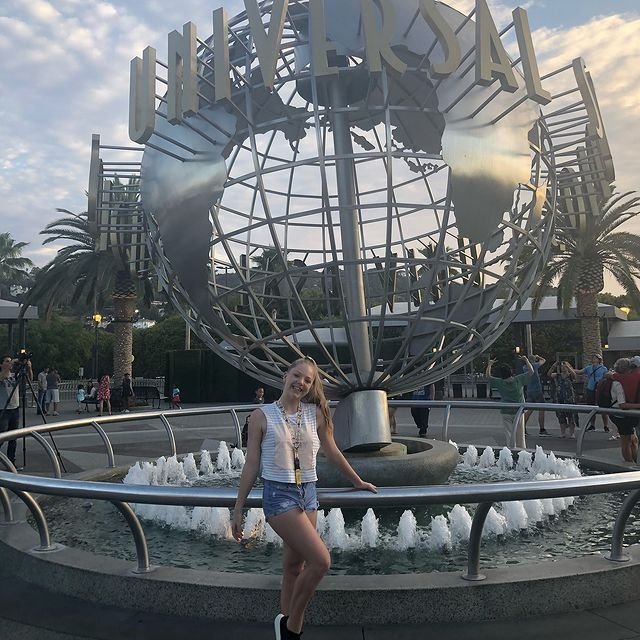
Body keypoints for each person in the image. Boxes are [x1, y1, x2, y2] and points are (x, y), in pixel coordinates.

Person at [232, 357, 376, 640]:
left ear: (311, 386)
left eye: (308, 380)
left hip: (308, 494)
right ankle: (292, 627)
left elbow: (332, 451)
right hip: (279, 496)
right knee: (321, 561)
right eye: (297, 376)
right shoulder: (261, 415)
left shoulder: (315, 414)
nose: (301, 383)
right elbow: (251, 464)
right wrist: (238, 508)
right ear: (285, 376)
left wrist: (357, 481)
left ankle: (284, 626)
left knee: (293, 568)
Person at [486, 356, 533, 448]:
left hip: (505, 411)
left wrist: (490, 365)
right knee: (520, 435)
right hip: (518, 411)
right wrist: (526, 360)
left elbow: (488, 376)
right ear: (511, 371)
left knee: (509, 434)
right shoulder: (518, 379)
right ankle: (521, 451)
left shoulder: (499, 382)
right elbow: (531, 372)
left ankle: (510, 450)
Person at [609, 358, 639, 464]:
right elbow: (622, 405)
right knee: (626, 441)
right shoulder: (618, 384)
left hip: (618, 414)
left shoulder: (617, 379)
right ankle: (629, 464)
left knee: (633, 440)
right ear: (627, 369)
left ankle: (633, 462)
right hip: (620, 415)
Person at [576, 354, 610, 432]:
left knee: (603, 407)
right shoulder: (589, 368)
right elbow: (579, 372)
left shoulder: (603, 368)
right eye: (593, 358)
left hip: (600, 389)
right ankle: (592, 425)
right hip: (591, 388)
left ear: (599, 360)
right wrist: (570, 368)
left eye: (595, 358)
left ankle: (605, 425)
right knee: (591, 407)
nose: (594, 359)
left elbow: (606, 377)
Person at [549, 361, 578, 438]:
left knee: (571, 417)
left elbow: (574, 375)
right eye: (562, 367)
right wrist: (554, 366)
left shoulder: (570, 376)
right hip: (559, 398)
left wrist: (568, 367)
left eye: (565, 367)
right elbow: (549, 374)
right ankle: (563, 433)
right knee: (561, 416)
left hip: (569, 398)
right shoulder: (558, 375)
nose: (563, 368)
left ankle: (572, 433)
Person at [0, 355, 19, 466]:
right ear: (1, 364)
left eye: (10, 361)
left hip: (15, 409)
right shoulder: (2, 375)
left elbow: (29, 378)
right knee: (2, 436)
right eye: (7, 361)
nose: (10, 363)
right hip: (3, 409)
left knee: (13, 437)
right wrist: (8, 367)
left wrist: (28, 367)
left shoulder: (14, 375)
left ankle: (11, 462)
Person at [524, 355, 549, 436]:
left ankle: (523, 427)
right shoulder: (534, 366)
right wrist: (538, 357)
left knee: (529, 409)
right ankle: (542, 429)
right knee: (541, 409)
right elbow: (544, 360)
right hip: (537, 390)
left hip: (529, 390)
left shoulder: (524, 368)